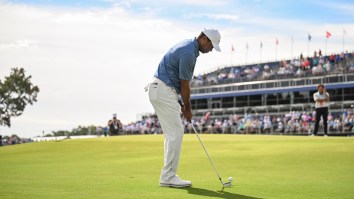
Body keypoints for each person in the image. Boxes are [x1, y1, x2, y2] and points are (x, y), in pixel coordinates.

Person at [146, 28, 221, 187]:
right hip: (163, 90)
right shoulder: (189, 53)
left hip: (159, 89)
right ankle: (168, 177)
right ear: (203, 38)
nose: (211, 50)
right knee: (176, 132)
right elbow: (185, 85)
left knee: (172, 134)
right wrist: (188, 109)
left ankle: (167, 175)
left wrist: (179, 102)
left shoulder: (188, 46)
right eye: (211, 45)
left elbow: (178, 83)